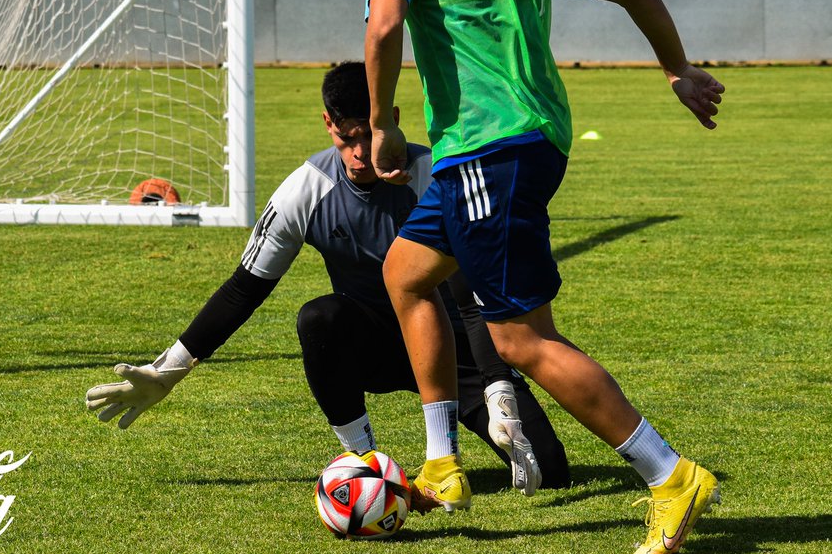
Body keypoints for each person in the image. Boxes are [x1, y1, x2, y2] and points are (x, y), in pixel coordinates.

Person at [360, 0, 725, 554]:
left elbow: (385, 23)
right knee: (405, 273)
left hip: (486, 156)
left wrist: (380, 125)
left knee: (521, 340)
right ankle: (442, 464)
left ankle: (670, 474)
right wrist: (677, 69)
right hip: (527, 144)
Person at [86, 61, 569, 499]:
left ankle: (453, 447)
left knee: (549, 471)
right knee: (320, 318)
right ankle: (364, 464)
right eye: (346, 137)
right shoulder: (305, 189)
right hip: (373, 343)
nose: (359, 152)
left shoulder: (436, 178)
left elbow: (471, 299)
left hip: (454, 348)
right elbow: (244, 289)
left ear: (392, 117)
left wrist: (497, 384)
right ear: (327, 125)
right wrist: (168, 371)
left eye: (368, 133)